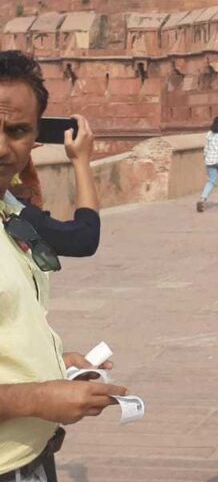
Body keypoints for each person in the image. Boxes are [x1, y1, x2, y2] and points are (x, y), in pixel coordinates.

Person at [0, 50, 127, 482]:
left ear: (35, 138)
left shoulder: (10, 212)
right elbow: (83, 237)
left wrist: (50, 362)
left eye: (17, 130)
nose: (2, 147)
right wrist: (37, 398)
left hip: (27, 457)